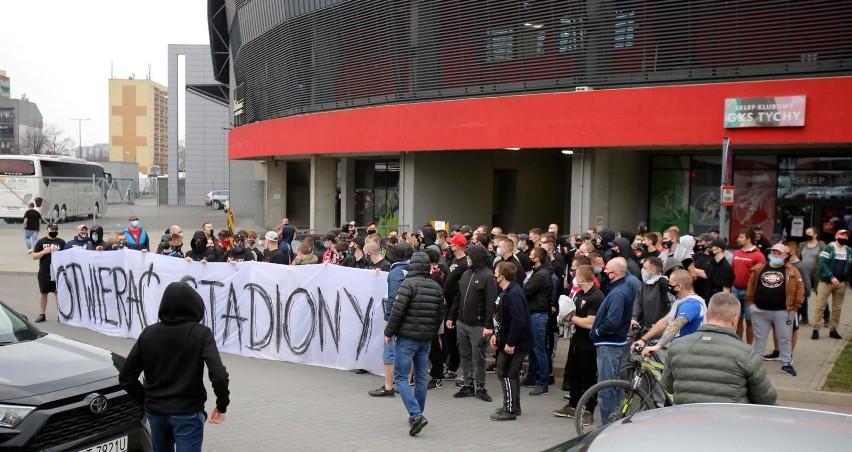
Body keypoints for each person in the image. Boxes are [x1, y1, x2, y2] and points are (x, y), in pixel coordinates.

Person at [119, 282, 230, 452]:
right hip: (187, 411)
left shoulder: (149, 333)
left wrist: (146, 400)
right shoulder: (201, 333)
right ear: (195, 305)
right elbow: (219, 375)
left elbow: (126, 376)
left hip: (156, 411)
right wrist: (222, 404)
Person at [662, 292, 777, 405]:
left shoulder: (676, 347)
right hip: (727, 420)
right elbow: (765, 398)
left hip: (686, 418)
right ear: (736, 319)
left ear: (707, 314)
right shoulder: (746, 352)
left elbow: (667, 386)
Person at [383, 251, 443, 436]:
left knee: (400, 378)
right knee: (421, 377)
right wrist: (431, 333)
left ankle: (416, 415)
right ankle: (418, 414)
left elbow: (397, 311)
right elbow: (439, 315)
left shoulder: (407, 284)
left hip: (407, 338)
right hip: (426, 339)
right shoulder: (436, 287)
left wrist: (389, 333)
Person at [589, 257, 639, 425]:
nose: (603, 272)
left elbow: (612, 322)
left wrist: (597, 331)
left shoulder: (618, 293)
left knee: (606, 388)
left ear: (615, 273)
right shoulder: (621, 288)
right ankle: (615, 421)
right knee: (613, 385)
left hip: (609, 344)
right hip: (612, 343)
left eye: (607, 270)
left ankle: (608, 426)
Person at [552, 265, 604, 426]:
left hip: (589, 344)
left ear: (581, 278)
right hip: (576, 342)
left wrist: (571, 318)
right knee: (574, 375)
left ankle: (588, 410)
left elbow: (590, 322)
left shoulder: (596, 296)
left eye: (575, 274)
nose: (573, 276)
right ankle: (573, 406)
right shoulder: (579, 294)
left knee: (588, 377)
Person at [447, 244, 498, 402]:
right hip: (461, 323)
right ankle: (468, 386)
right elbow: (458, 297)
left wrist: (489, 325)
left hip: (478, 325)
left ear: (476, 258)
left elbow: (491, 304)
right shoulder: (466, 274)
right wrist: (451, 316)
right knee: (465, 355)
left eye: (470, 257)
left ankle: (481, 387)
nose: (467, 259)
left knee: (479, 357)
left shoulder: (488, 276)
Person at [746, 243, 804, 376]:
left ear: (785, 256)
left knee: (784, 338)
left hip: (783, 311)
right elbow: (751, 286)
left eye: (779, 253)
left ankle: (787, 364)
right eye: (774, 252)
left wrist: (795, 308)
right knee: (760, 337)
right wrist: (751, 304)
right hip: (760, 311)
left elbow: (800, 290)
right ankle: (756, 364)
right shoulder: (759, 268)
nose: (776, 255)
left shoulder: (792, 271)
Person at [370, 242, 414, 397]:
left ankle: (388, 386)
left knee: (389, 351)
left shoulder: (395, 272)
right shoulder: (416, 269)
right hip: (412, 316)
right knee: (408, 351)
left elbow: (395, 297)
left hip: (397, 316)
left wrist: (391, 317)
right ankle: (406, 385)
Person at [489, 262, 531, 421]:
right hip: (506, 340)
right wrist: (496, 335)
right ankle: (513, 405)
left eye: (496, 273)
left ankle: (510, 409)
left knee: (505, 373)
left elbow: (518, 321)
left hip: (515, 343)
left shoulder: (513, 294)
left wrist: (510, 343)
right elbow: (500, 318)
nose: (494, 275)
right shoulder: (506, 292)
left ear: (503, 276)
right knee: (510, 374)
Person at [633, 269, 706, 358]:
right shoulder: (680, 301)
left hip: (689, 355)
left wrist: (657, 346)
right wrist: (643, 339)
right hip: (681, 351)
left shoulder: (691, 304)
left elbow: (675, 325)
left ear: (679, 287)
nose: (668, 287)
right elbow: (664, 322)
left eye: (670, 284)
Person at [521, 247, 553, 396]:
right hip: (535, 313)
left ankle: (543, 384)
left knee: (540, 350)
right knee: (535, 349)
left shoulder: (541, 275)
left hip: (538, 315)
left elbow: (527, 291)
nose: (529, 257)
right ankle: (532, 377)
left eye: (532, 255)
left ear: (537, 259)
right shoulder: (539, 272)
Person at [812, 229, 851, 340]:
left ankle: (833, 329)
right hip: (826, 282)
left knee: (837, 308)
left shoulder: (848, 250)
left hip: (841, 283)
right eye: (842, 235)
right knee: (820, 306)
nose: (844, 237)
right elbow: (823, 263)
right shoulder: (829, 248)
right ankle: (816, 329)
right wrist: (831, 276)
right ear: (836, 236)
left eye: (846, 236)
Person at [732, 228, 765, 344]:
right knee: (737, 320)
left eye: (741, 237)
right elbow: (733, 271)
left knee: (750, 321)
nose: (738, 239)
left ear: (748, 238)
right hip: (735, 290)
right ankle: (738, 344)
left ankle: (749, 347)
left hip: (750, 292)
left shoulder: (758, 255)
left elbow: (760, 275)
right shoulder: (736, 253)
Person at [31, 222, 65, 322]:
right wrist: (44, 252)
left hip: (57, 272)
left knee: (58, 293)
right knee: (43, 292)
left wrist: (57, 253)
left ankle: (61, 314)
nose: (54, 231)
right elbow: (34, 256)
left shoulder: (61, 242)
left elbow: (66, 256)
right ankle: (42, 314)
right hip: (44, 271)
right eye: (52, 230)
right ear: (47, 230)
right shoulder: (41, 242)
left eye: (55, 230)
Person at [631, 256, 672, 331]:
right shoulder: (645, 284)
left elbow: (671, 305)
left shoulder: (663, 283)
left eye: (645, 268)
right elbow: (638, 303)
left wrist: (665, 325)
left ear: (653, 271)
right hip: (645, 328)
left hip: (659, 330)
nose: (642, 270)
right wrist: (634, 318)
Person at [798, 226, 826, 325]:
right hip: (804, 275)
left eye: (809, 233)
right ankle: (804, 318)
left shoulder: (822, 246)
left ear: (815, 234)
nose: (807, 235)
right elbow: (799, 257)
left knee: (821, 296)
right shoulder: (802, 245)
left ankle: (826, 318)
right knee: (803, 296)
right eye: (806, 233)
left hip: (817, 275)